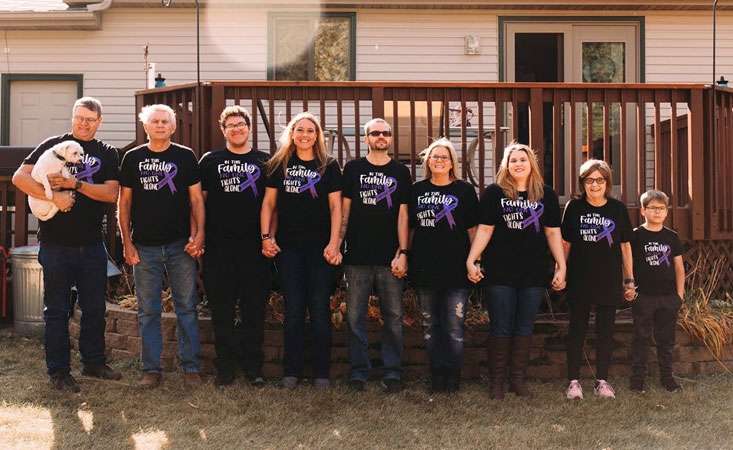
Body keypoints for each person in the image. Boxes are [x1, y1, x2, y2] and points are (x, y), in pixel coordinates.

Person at [12, 97, 122, 392]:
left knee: (95, 307)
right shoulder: (54, 144)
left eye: (90, 119)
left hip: (91, 244)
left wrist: (76, 186)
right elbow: (20, 178)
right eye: (79, 117)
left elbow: (111, 194)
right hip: (56, 243)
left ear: (99, 122)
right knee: (57, 309)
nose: (83, 123)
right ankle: (59, 371)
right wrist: (53, 197)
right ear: (72, 117)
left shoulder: (107, 153)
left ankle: (94, 362)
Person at [466, 143, 565, 400]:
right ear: (506, 166)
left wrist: (561, 265)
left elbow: (553, 232)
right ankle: (497, 382)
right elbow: (485, 230)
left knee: (524, 326)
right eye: (513, 160)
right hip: (500, 270)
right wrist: (472, 259)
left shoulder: (546, 195)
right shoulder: (494, 193)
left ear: (531, 163)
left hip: (533, 271)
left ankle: (518, 380)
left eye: (522, 159)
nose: (518, 164)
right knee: (501, 325)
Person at [118, 104, 205, 388]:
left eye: (164, 121)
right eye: (154, 121)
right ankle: (151, 370)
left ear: (173, 126)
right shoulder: (133, 158)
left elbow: (196, 200)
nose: (159, 125)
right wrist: (127, 243)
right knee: (148, 311)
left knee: (187, 308)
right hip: (144, 246)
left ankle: (191, 368)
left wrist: (199, 234)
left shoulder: (185, 156)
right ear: (145, 126)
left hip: (180, 245)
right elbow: (125, 203)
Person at [260, 112, 342, 389]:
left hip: (320, 250)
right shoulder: (279, 164)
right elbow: (268, 205)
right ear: (292, 133)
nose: (305, 134)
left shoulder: (328, 166)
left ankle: (321, 373)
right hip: (289, 249)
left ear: (317, 135)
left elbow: (335, 208)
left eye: (311, 130)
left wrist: (334, 243)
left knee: (319, 310)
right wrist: (266, 237)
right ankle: (291, 372)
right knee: (293, 310)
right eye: (300, 129)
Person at [199, 106, 271, 387]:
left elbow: (272, 205)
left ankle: (254, 368)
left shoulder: (265, 161)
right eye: (231, 125)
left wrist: (269, 238)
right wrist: (200, 236)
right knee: (222, 310)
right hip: (219, 248)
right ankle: (225, 368)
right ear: (223, 130)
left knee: (254, 310)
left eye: (241, 124)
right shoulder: (210, 161)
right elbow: (200, 203)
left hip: (255, 248)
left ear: (249, 127)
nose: (237, 129)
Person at [340, 118, 411, 393]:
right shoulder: (353, 169)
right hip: (357, 255)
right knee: (355, 317)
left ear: (391, 138)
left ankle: (392, 372)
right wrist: (338, 244)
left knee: (392, 317)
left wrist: (403, 252)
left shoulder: (401, 171)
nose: (381, 136)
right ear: (366, 137)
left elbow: (404, 215)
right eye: (375, 133)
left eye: (385, 133)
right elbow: (344, 212)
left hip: (389, 257)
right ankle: (359, 371)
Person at [561, 159, 636, 400]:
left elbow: (625, 246)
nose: (594, 185)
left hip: (608, 278)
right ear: (582, 183)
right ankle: (573, 382)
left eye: (599, 180)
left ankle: (602, 381)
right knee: (577, 330)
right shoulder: (574, 207)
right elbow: (565, 243)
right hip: (579, 277)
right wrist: (560, 271)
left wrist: (629, 279)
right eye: (589, 180)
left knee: (606, 331)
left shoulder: (617, 208)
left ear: (607, 183)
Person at [409, 138, 478, 393]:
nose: (439, 160)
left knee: (454, 327)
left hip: (457, 268)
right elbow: (410, 228)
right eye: (435, 157)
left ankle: (452, 378)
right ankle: (436, 376)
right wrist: (404, 254)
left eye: (444, 157)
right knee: (430, 326)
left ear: (453, 163)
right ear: (427, 161)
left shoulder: (465, 191)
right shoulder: (416, 190)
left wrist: (475, 261)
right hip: (425, 266)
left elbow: (473, 230)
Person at [630, 190, 685, 393]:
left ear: (666, 211)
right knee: (641, 338)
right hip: (643, 296)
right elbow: (627, 264)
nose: (657, 212)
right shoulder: (636, 235)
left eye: (662, 208)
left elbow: (679, 268)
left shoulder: (671, 237)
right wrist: (630, 288)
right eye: (653, 208)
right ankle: (637, 379)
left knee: (666, 339)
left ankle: (667, 378)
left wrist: (679, 295)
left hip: (668, 297)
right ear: (643, 210)